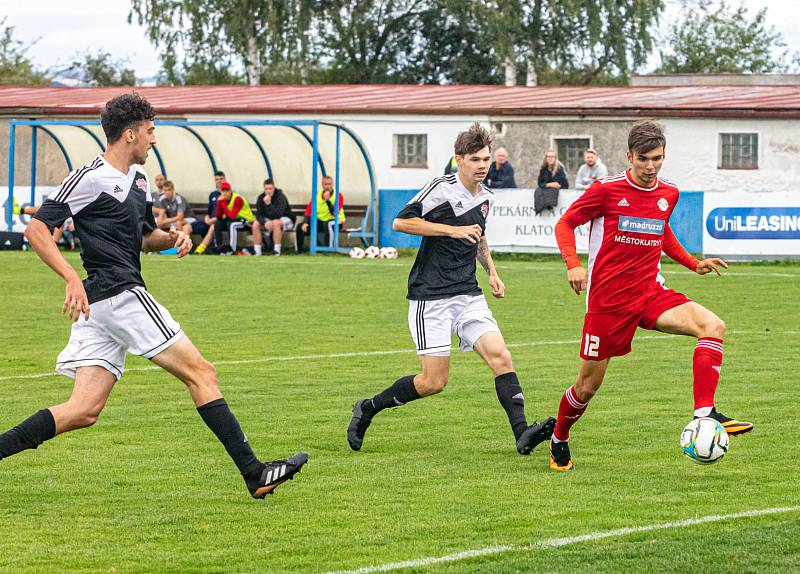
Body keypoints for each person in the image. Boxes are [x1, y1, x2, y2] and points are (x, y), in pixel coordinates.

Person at [2, 93, 307, 498]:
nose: (154, 138)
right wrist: (70, 277)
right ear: (129, 133)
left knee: (83, 410)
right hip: (118, 294)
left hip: (102, 308)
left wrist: (172, 237)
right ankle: (254, 473)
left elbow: (145, 237)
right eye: (149, 130)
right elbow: (37, 230)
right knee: (202, 373)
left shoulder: (141, 181)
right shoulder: (89, 176)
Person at [548, 120, 752, 472]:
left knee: (712, 326)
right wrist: (573, 264)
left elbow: (661, 230)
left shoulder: (668, 193)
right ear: (629, 156)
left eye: (657, 158)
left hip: (649, 292)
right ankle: (559, 437)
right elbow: (565, 223)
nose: (651, 166)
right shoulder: (606, 190)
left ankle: (705, 414)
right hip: (608, 303)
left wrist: (692, 263)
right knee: (587, 386)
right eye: (643, 158)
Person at [347, 123, 555, 455]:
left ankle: (522, 433)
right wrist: (450, 231)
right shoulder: (440, 189)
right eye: (475, 159)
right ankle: (368, 407)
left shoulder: (487, 196)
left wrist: (492, 273)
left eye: (486, 159)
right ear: (458, 160)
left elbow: (479, 237)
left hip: (468, 293)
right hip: (430, 296)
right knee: (433, 382)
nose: (483, 165)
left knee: (501, 356)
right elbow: (401, 222)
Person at [295, 175, 346, 252]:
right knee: (300, 226)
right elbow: (309, 210)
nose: (327, 186)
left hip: (336, 221)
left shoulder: (338, 195)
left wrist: (327, 200)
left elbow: (334, 213)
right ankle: (298, 251)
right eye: (325, 184)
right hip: (321, 221)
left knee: (328, 224)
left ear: (333, 185)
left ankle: (328, 249)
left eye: (329, 184)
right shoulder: (317, 195)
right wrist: (305, 222)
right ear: (322, 185)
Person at [252, 179, 295, 256]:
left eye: (270, 189)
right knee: (255, 224)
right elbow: (258, 214)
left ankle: (276, 251)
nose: (268, 191)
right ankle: (257, 252)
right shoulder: (261, 197)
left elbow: (278, 215)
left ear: (274, 188)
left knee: (276, 222)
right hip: (270, 220)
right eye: (266, 189)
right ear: (264, 189)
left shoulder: (280, 196)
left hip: (286, 218)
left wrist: (268, 204)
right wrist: (265, 222)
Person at [213, 181, 255, 254]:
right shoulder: (222, 200)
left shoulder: (237, 199)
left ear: (230, 190)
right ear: (220, 191)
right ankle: (219, 248)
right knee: (217, 224)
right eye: (223, 191)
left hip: (247, 221)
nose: (225, 193)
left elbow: (232, 216)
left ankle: (232, 250)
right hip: (235, 220)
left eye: (227, 190)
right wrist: (218, 203)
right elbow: (219, 217)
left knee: (232, 225)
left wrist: (222, 203)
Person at [193, 170, 225, 255]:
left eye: (221, 179)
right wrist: (207, 216)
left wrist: (214, 219)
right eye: (217, 179)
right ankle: (182, 249)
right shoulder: (213, 194)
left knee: (212, 227)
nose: (219, 181)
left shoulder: (228, 194)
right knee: (187, 226)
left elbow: (226, 213)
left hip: (220, 220)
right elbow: (210, 209)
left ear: (225, 179)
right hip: (209, 220)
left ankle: (199, 250)